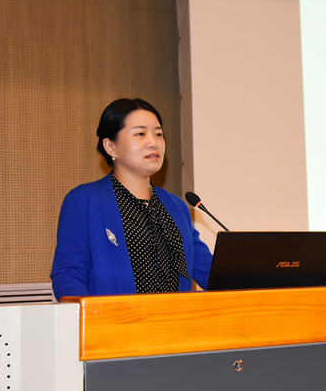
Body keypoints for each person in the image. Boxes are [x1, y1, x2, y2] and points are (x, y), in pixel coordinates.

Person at [50, 98, 213, 300]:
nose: (153, 142)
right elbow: (68, 274)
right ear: (111, 147)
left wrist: (246, 273)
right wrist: (95, 314)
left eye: (158, 134)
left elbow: (208, 272)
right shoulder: (85, 201)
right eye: (140, 134)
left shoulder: (175, 206)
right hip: (114, 319)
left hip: (175, 318)